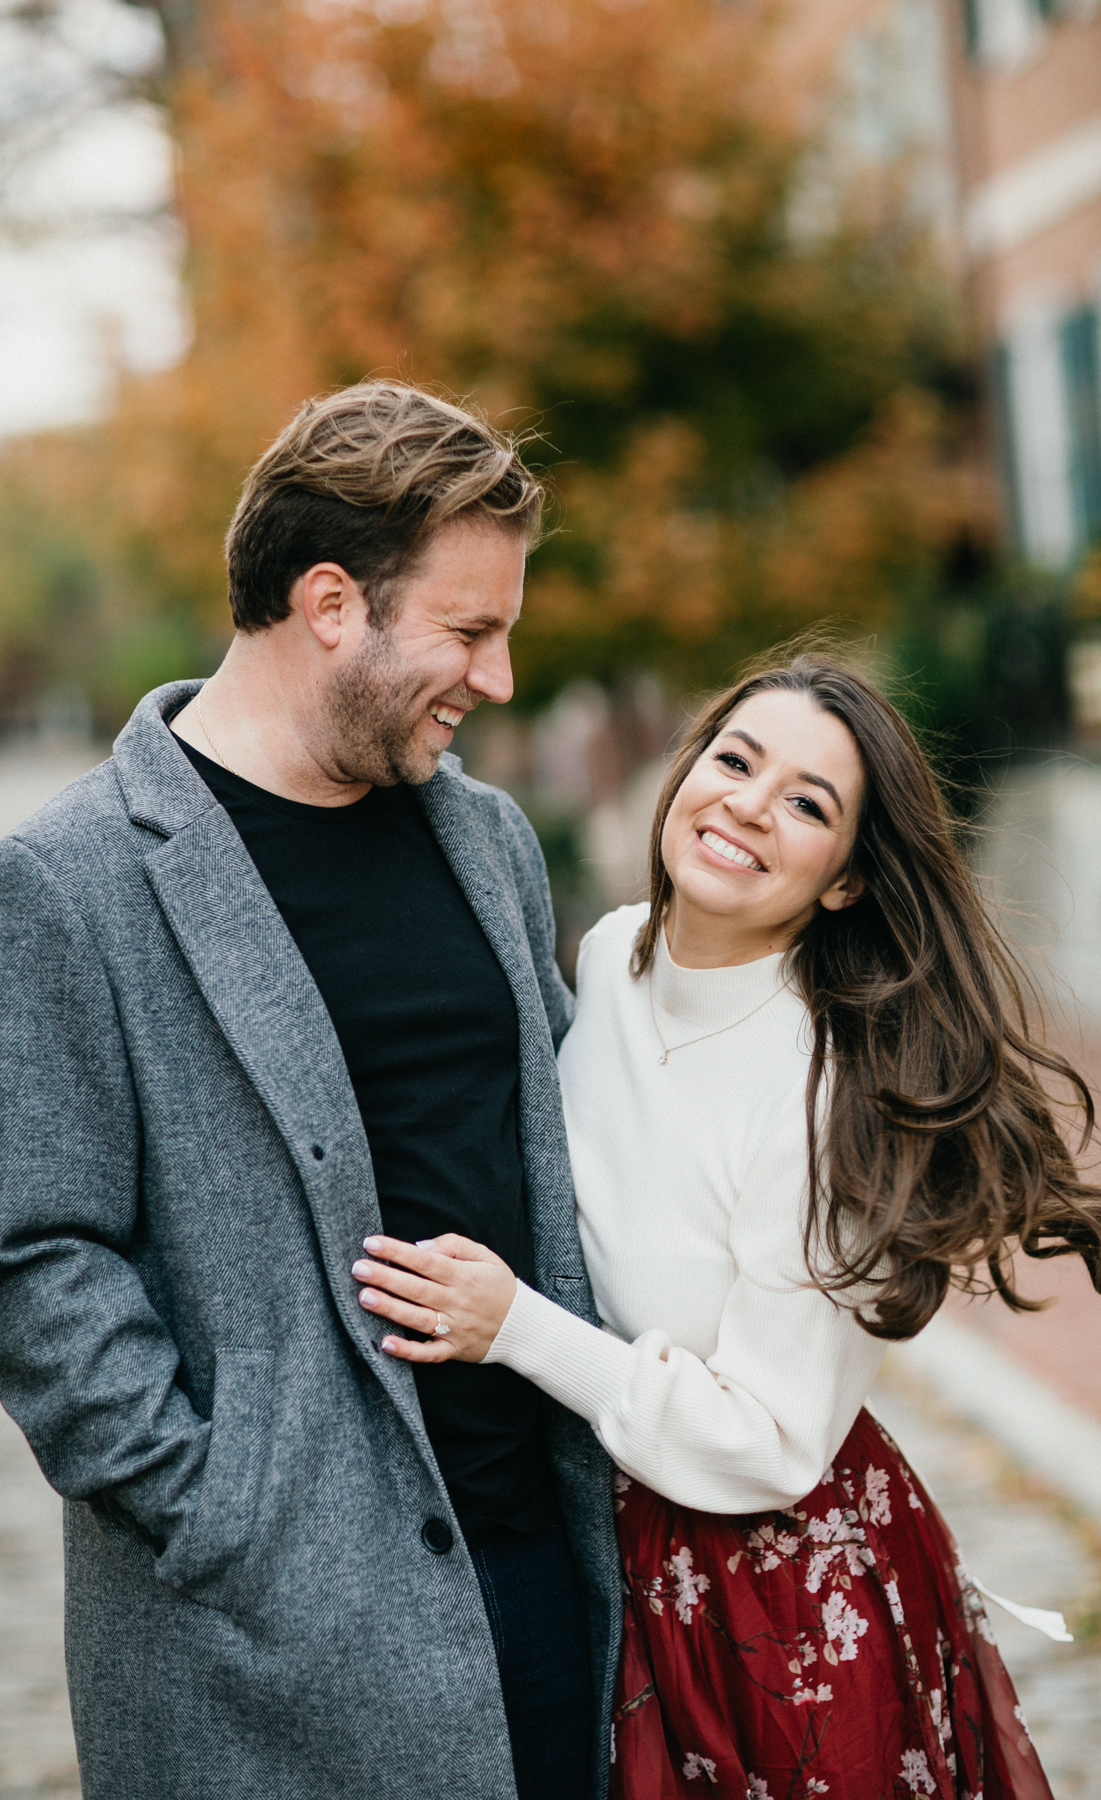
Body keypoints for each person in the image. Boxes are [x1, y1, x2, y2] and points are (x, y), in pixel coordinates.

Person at [351, 647, 1101, 1799]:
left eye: (807, 803)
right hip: (598, 1551)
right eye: (735, 757)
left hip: (773, 1591)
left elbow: (770, 1442)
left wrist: (515, 1328)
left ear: (845, 879)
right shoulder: (610, 958)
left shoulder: (830, 1094)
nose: (748, 801)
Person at [0, 382, 621, 1800]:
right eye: (471, 632)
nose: (500, 679)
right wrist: (225, 1519)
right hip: (263, 1650)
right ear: (331, 602)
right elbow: (34, 1253)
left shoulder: (490, 841)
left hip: (544, 1573)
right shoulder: (70, 880)